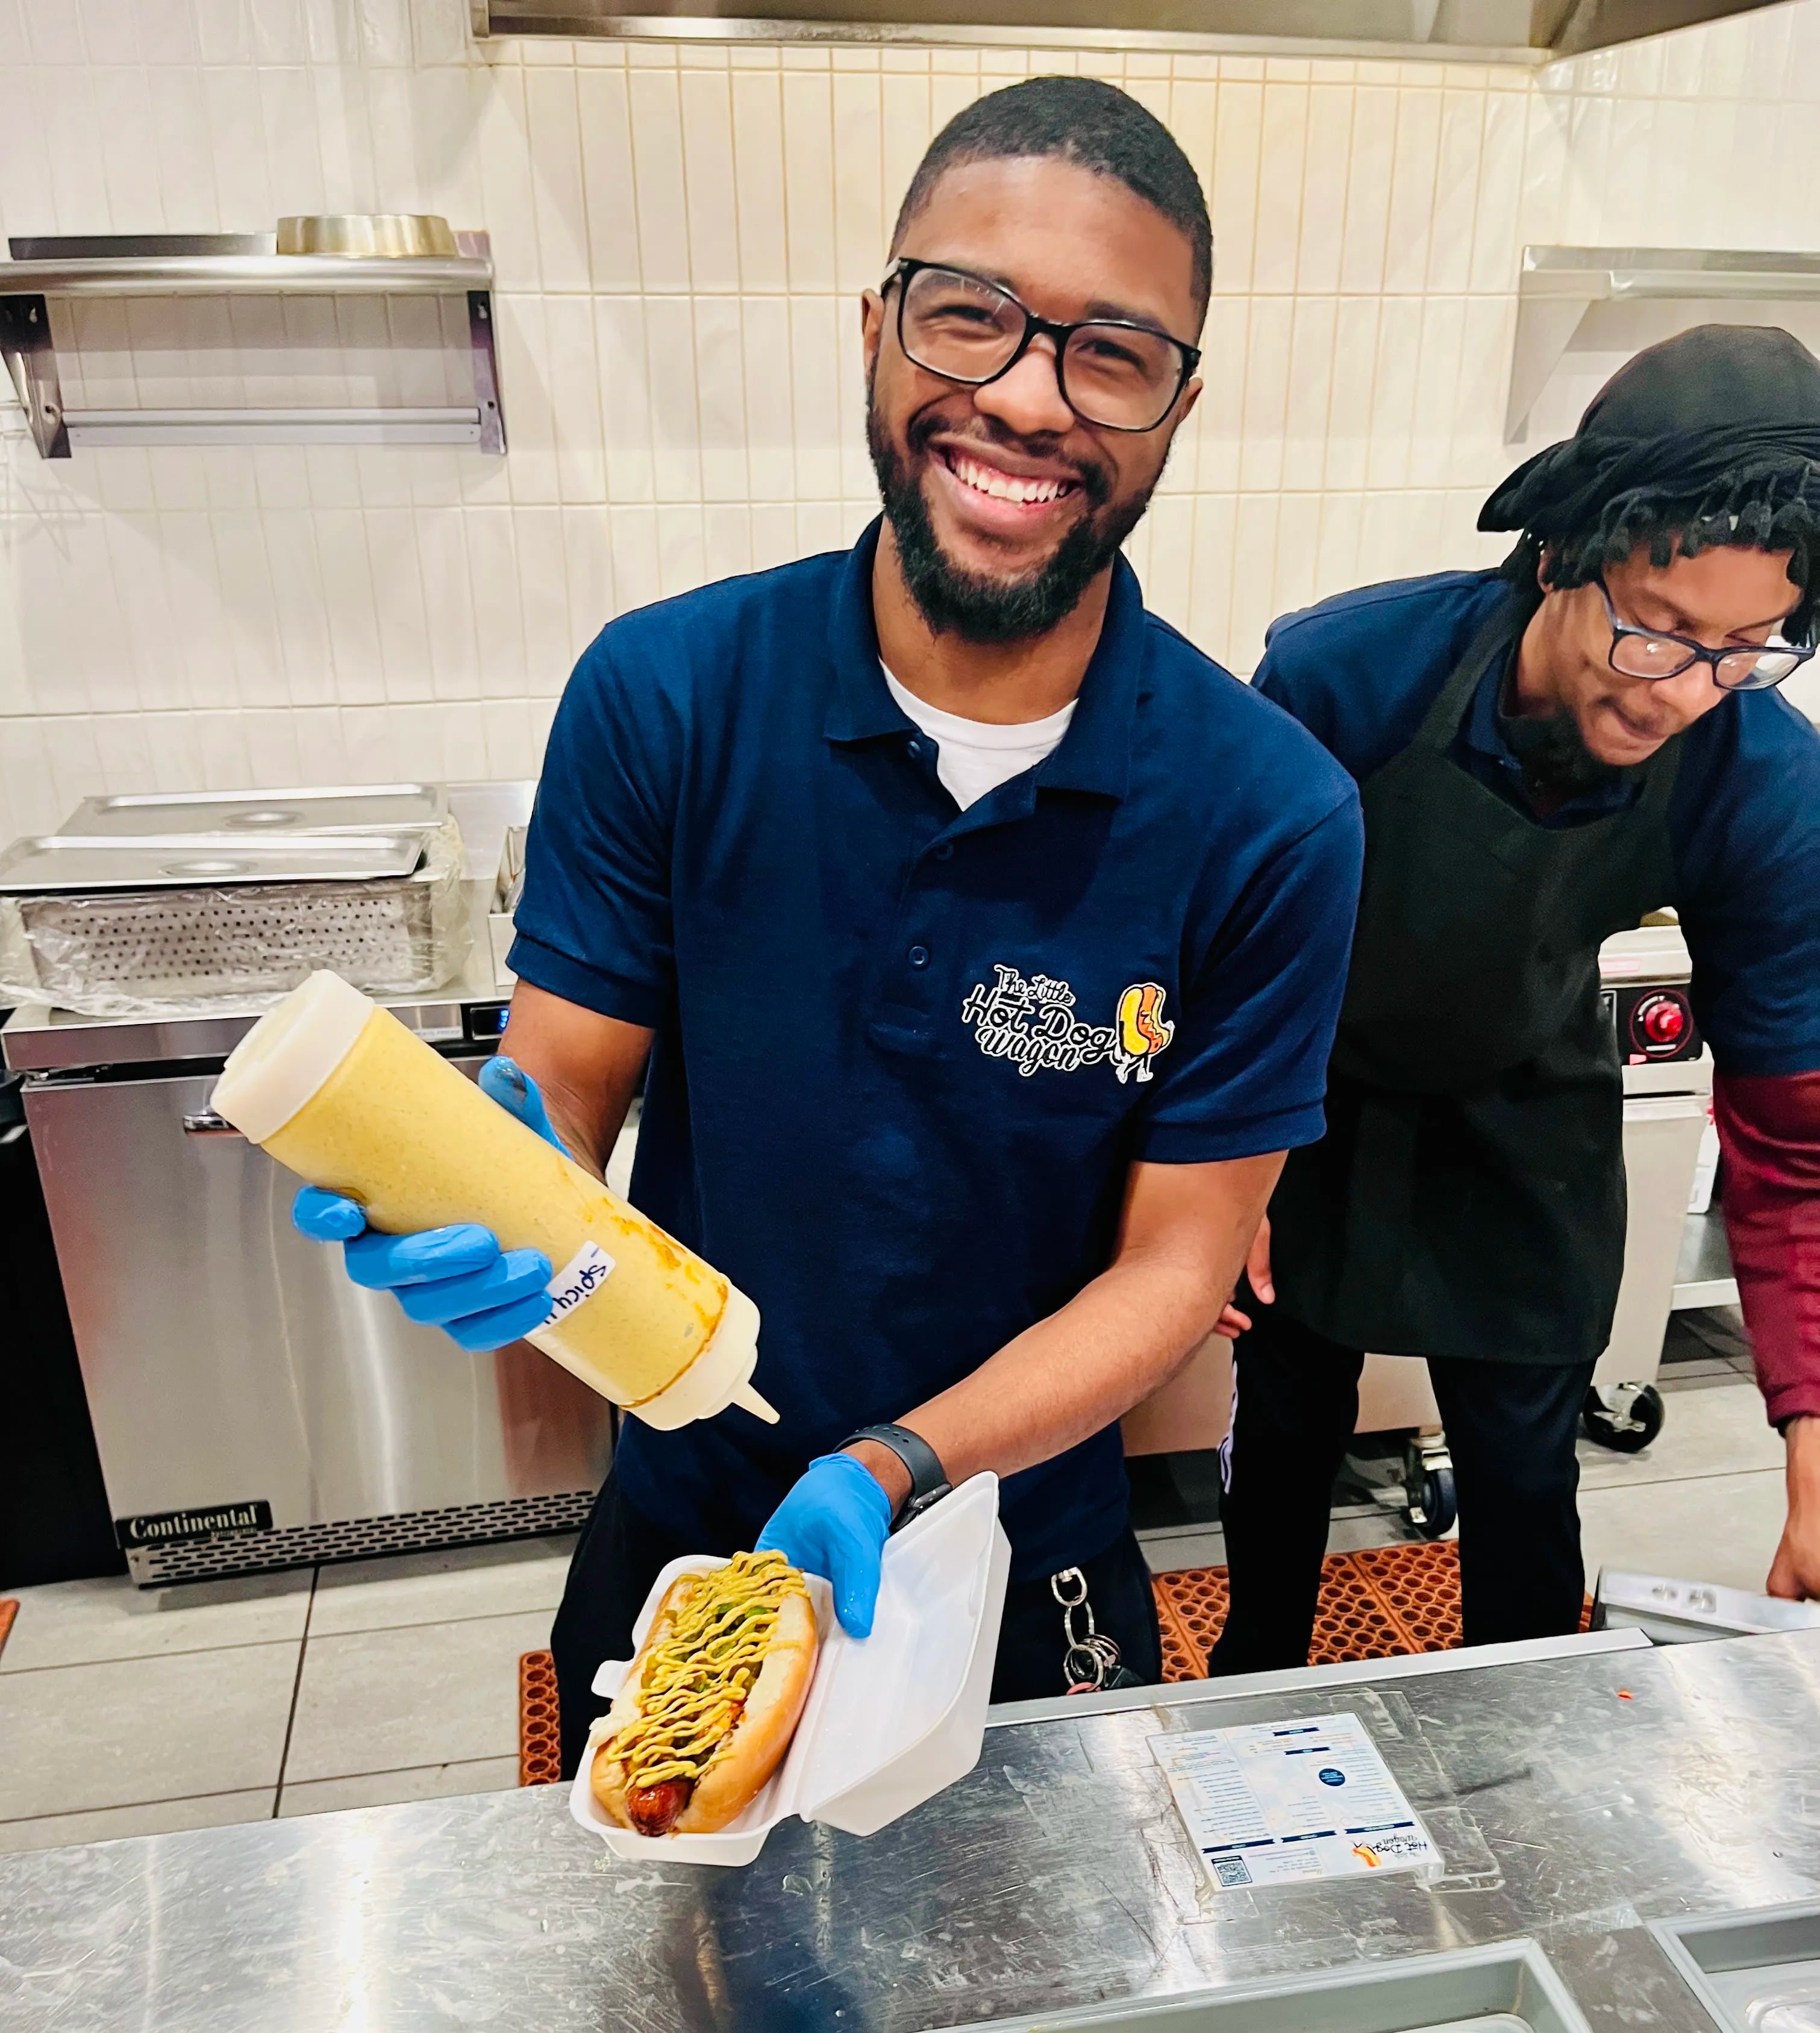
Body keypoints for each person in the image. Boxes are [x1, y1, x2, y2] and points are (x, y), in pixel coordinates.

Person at [294, 76, 1364, 1769]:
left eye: (1112, 351)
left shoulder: (1266, 813)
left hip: (1017, 1538)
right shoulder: (670, 693)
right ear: (874, 330)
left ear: (1175, 403)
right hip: (686, 1507)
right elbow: (565, 1084)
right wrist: (501, 1184)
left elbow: (1178, 1265)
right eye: (967, 319)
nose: (1025, 399)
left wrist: (896, 1463)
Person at [1209, 324, 1820, 1675]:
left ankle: (1528, 1745)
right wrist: (1218, 1161)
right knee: (1280, 1452)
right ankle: (1247, 1684)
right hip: (1303, 1104)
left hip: (1523, 1114)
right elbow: (1220, 935)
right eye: (1656, 630)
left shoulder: (1759, 778)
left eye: (1743, 647)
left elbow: (1789, 1139)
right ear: (1558, 553)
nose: (1683, 690)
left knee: (1524, 1489)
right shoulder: (1345, 673)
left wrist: (1810, 1440)